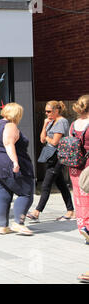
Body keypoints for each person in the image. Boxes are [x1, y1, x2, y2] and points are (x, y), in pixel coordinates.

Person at [0, 103, 35, 235]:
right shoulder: (10, 125)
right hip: (6, 163)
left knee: (2, 194)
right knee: (26, 193)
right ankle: (18, 223)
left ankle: (3, 226)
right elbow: (8, 143)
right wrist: (15, 162)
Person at [27, 100, 74, 221]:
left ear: (56, 110)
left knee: (46, 185)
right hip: (50, 156)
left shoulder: (61, 121)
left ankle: (37, 211)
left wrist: (47, 137)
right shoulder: (50, 122)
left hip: (58, 157)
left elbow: (54, 142)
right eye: (46, 111)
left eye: (49, 111)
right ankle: (70, 210)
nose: (47, 113)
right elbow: (42, 139)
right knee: (61, 185)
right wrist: (44, 125)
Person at [68, 95, 89, 245]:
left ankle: (83, 226)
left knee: (79, 197)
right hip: (88, 164)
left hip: (75, 166)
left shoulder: (73, 124)